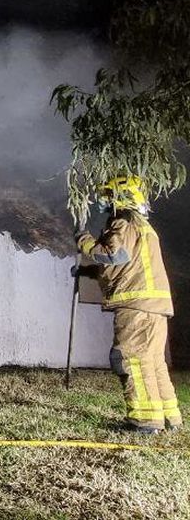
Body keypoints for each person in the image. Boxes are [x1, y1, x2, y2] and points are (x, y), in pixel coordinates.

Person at [75, 176, 180, 434]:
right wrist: (88, 273)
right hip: (152, 306)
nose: (104, 202)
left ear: (120, 197)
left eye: (108, 196)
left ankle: (144, 421)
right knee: (153, 361)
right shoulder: (142, 226)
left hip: (136, 307)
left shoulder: (122, 221)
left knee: (130, 358)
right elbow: (126, 266)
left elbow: (113, 254)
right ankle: (169, 418)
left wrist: (83, 240)